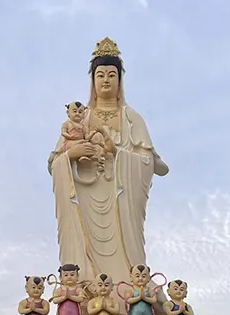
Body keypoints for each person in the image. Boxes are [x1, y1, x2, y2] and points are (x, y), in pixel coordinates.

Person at [48, 38, 169, 294]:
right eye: (100, 74)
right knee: (85, 250)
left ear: (120, 80)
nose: (105, 80)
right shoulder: (80, 117)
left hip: (121, 200)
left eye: (111, 75)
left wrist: (119, 154)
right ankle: (84, 292)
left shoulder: (131, 117)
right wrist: (72, 154)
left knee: (128, 255)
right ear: (92, 80)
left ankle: (129, 295)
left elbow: (150, 163)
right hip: (86, 197)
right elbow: (54, 162)